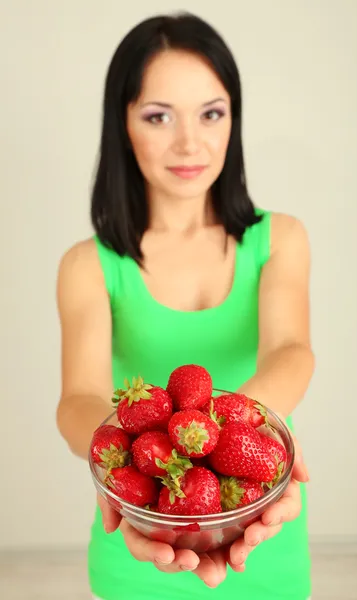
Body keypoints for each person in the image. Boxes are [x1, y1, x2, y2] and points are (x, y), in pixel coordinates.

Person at [56, 11, 315, 600]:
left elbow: (292, 352)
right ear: (122, 125)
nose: (190, 142)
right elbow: (78, 399)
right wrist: (132, 457)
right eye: (158, 116)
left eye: (211, 113)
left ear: (233, 120)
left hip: (260, 529)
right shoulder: (87, 265)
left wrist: (219, 446)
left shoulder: (282, 239)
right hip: (142, 529)